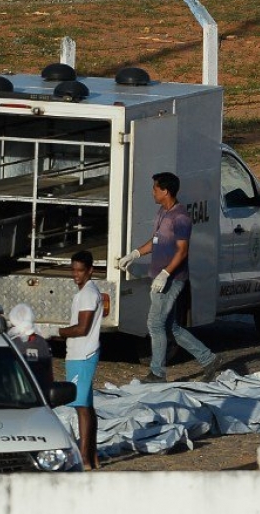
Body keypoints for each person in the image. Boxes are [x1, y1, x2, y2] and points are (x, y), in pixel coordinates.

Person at [118, 172, 222, 384]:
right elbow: (156, 241)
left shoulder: (180, 218)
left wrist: (166, 274)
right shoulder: (162, 213)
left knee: (154, 325)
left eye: (155, 188)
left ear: (165, 191)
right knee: (170, 327)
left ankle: (157, 372)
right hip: (161, 276)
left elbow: (182, 251)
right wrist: (135, 254)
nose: (153, 192)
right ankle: (209, 359)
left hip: (171, 279)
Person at [48, 250, 103, 470]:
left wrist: (53, 331)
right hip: (80, 353)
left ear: (90, 270)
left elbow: (82, 328)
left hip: (83, 353)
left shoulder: (88, 294)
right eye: (73, 270)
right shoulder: (84, 293)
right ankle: (93, 456)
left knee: (81, 407)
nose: (76, 275)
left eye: (80, 271)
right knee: (87, 406)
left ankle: (84, 459)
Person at [7, 303, 54, 395]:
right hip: (42, 394)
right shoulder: (42, 343)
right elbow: (49, 373)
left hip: (17, 394)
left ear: (13, 320)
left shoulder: (11, 344)